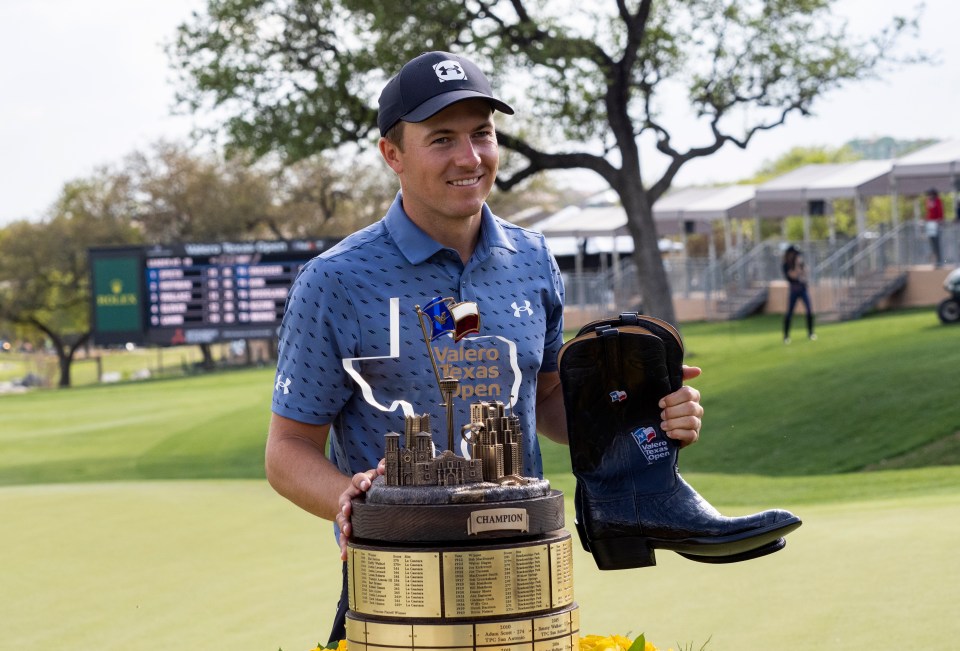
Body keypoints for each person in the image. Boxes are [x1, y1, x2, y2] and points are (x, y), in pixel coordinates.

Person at [264, 51, 704, 645]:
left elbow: (547, 403)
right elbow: (287, 449)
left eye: (482, 134)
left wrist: (639, 416)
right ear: (392, 154)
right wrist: (349, 497)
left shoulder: (533, 260)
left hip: (526, 575)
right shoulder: (335, 280)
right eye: (441, 138)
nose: (469, 158)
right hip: (396, 582)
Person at [782, 244, 815, 343]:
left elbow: (806, 273)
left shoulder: (801, 263)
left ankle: (811, 333)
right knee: (789, 313)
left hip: (803, 289)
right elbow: (793, 276)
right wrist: (796, 266)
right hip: (793, 291)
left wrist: (800, 266)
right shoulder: (786, 265)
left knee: (809, 311)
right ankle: (786, 336)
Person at [924, 187, 944, 267]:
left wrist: (940, 220)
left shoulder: (938, 201)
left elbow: (940, 211)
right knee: (931, 243)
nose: (930, 196)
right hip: (930, 224)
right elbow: (928, 213)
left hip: (936, 224)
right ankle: (934, 261)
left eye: (931, 194)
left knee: (937, 243)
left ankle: (939, 261)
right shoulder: (928, 201)